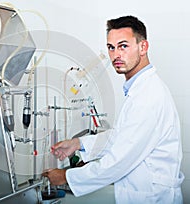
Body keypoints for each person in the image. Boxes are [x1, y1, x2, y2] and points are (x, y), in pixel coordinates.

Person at [42, 15, 184, 203]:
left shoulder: (148, 96)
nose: (116, 54)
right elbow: (121, 137)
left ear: (143, 47)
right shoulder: (139, 90)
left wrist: (66, 177)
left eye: (123, 46)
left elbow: (118, 162)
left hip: (152, 197)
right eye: (111, 47)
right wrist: (78, 144)